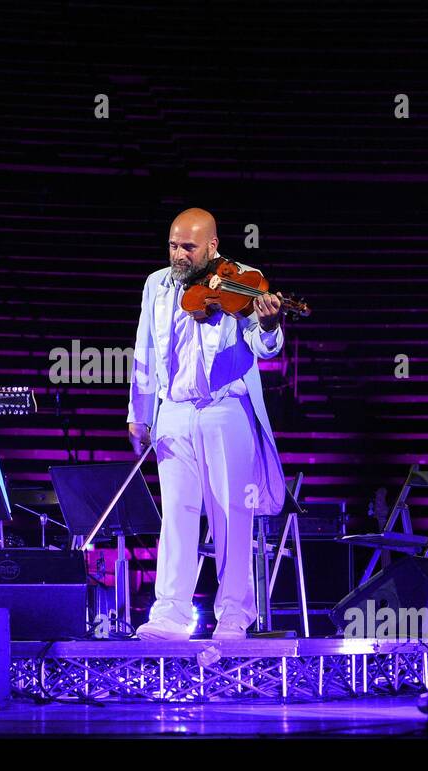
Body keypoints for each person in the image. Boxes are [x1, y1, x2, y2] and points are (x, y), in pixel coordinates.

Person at [126, 208, 285, 641]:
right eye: (174, 246)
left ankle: (234, 616)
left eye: (189, 248)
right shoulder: (157, 284)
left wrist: (269, 325)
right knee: (175, 515)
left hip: (224, 407)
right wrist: (138, 413)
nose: (179, 255)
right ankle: (170, 615)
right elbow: (146, 347)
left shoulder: (244, 280)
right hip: (174, 410)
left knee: (232, 515)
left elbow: (262, 346)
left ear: (212, 246)